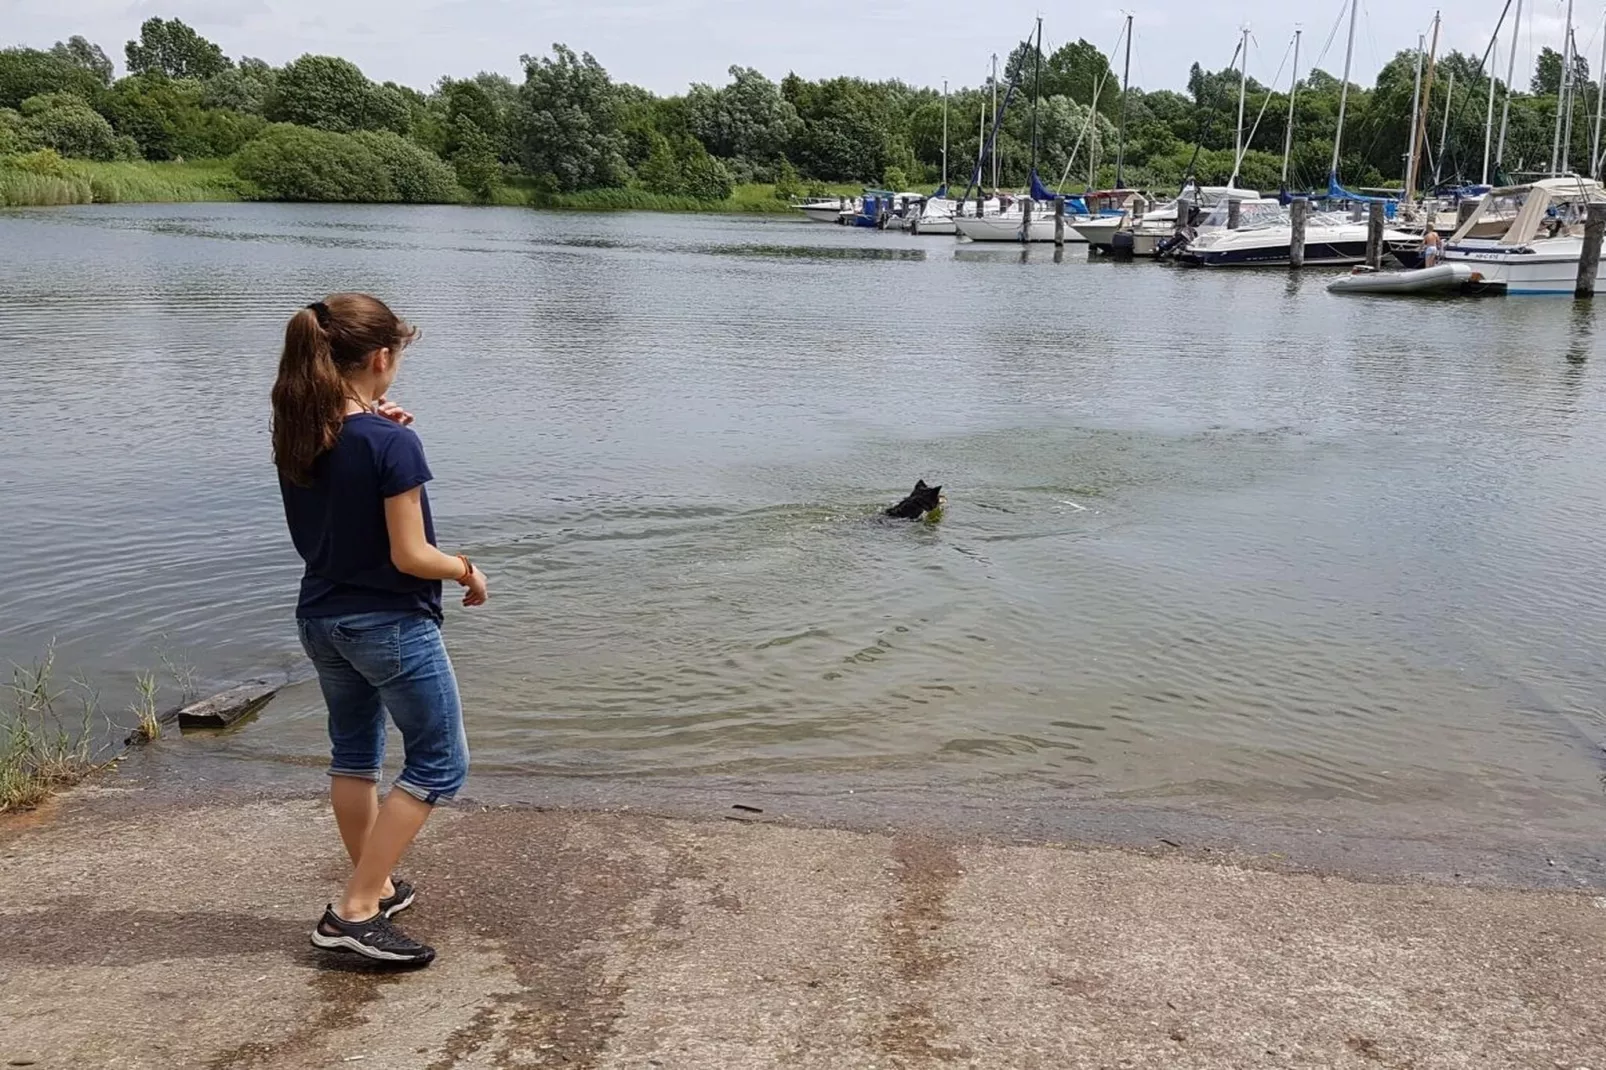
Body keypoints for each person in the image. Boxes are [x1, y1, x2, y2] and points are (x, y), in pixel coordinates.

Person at [271, 293, 489, 967]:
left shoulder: (301, 431)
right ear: (381, 358)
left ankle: (379, 885)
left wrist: (375, 422)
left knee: (356, 754)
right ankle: (355, 909)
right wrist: (466, 570)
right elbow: (410, 556)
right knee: (440, 761)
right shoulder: (392, 442)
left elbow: (345, 478)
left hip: (322, 617)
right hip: (388, 624)